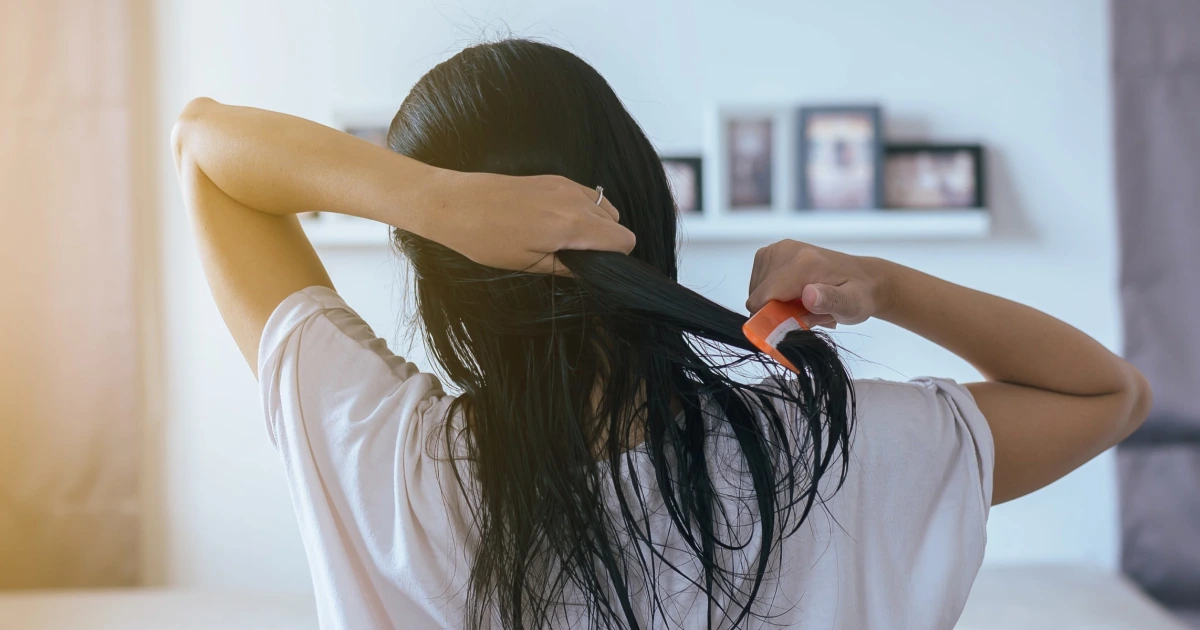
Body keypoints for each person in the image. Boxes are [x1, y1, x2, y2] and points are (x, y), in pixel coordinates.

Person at [171, 39, 1151, 630]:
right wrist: (882, 286)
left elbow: (205, 145)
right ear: (648, 205)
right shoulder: (815, 454)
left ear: (439, 278)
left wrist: (431, 201)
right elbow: (1108, 396)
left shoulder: (385, 460)